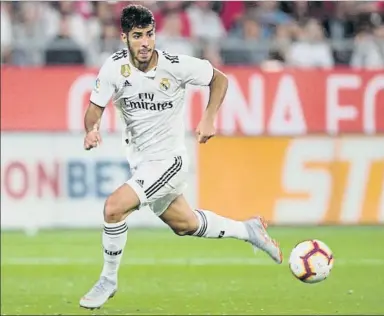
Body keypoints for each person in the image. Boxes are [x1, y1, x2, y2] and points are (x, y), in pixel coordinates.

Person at [79, 5, 283, 310]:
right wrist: (91, 130)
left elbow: (220, 79)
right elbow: (93, 111)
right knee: (185, 224)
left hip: (170, 162)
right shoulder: (113, 68)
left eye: (149, 34)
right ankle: (248, 230)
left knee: (113, 208)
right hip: (142, 163)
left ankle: (108, 280)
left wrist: (209, 117)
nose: (145, 42)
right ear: (124, 37)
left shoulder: (175, 65)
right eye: (137, 36)